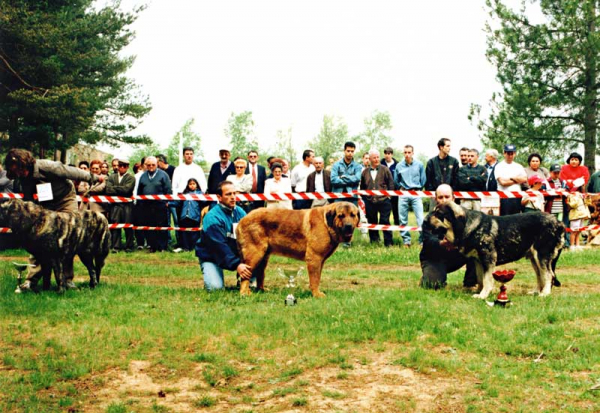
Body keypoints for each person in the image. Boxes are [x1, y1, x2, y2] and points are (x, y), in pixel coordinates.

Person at [4, 148, 103, 291]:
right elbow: (28, 200)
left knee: (67, 240)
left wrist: (93, 177)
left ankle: (67, 280)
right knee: (38, 240)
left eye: (21, 169)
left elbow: (73, 172)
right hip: (46, 205)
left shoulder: (48, 167)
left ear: (26, 163)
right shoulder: (22, 178)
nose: (20, 173)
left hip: (65, 199)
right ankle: (31, 280)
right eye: (16, 172)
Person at [195, 181, 252, 291]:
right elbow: (219, 247)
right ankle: (211, 276)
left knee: (253, 285)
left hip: (235, 254)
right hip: (211, 256)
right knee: (215, 288)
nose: (233, 197)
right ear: (219, 197)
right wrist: (237, 265)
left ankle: (243, 280)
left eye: (234, 193)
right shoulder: (212, 218)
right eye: (228, 194)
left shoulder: (240, 213)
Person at [419, 184, 470, 289]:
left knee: (476, 250)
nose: (444, 200)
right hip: (435, 257)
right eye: (440, 197)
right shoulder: (429, 218)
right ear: (435, 199)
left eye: (447, 197)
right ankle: (429, 276)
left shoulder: (464, 216)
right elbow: (427, 240)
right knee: (432, 285)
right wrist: (441, 243)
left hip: (458, 255)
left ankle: (471, 283)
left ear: (453, 198)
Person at [360, 149, 395, 247]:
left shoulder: (385, 169)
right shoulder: (364, 172)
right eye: (374, 157)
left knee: (385, 221)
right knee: (372, 221)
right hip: (370, 201)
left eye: (377, 157)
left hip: (384, 201)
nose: (376, 159)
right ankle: (374, 242)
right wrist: (366, 199)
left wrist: (389, 197)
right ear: (370, 159)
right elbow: (363, 187)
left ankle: (388, 243)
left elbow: (391, 184)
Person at [137, 156, 172, 252]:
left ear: (157, 165)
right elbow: (139, 191)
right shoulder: (143, 176)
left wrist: (166, 202)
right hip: (147, 206)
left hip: (160, 205)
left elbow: (168, 190)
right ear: (146, 165)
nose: (151, 166)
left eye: (153, 165)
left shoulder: (163, 175)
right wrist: (140, 204)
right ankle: (152, 246)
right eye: (149, 165)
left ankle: (162, 246)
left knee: (161, 226)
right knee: (150, 226)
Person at [394, 145, 425, 248]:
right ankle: (406, 241)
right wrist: (401, 189)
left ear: (412, 153)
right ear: (403, 153)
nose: (407, 154)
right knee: (402, 219)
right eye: (405, 152)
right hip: (403, 193)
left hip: (416, 193)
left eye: (409, 152)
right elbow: (396, 180)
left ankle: (422, 240)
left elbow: (423, 179)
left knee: (420, 218)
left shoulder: (419, 165)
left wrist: (418, 189)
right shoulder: (399, 166)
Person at [105, 159, 135, 252]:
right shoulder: (112, 177)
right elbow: (108, 190)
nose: (122, 167)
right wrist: (121, 189)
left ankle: (129, 246)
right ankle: (116, 246)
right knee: (115, 225)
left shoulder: (131, 178)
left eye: (124, 166)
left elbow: (127, 190)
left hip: (127, 205)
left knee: (128, 226)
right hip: (115, 205)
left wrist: (114, 189)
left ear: (127, 167)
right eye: (120, 165)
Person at [425, 138, 459, 210]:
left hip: (449, 196)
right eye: (447, 146)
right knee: (433, 218)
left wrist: (451, 193)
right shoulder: (431, 162)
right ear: (441, 147)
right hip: (435, 196)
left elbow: (456, 179)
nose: (449, 148)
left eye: (450, 146)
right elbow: (428, 181)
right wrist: (433, 193)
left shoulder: (454, 161)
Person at [495, 144, 527, 215]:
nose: (510, 155)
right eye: (508, 153)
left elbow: (524, 179)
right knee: (505, 218)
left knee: (516, 218)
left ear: (514, 154)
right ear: (504, 153)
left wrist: (512, 178)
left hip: (516, 196)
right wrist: (517, 180)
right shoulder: (499, 166)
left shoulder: (519, 166)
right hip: (504, 196)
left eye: (512, 153)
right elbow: (503, 183)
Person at [331, 141, 362, 205]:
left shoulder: (357, 166)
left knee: (353, 215)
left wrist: (342, 177)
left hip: (352, 197)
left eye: (352, 151)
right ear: (344, 151)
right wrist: (350, 180)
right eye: (348, 151)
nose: (350, 153)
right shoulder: (336, 165)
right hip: (338, 196)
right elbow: (333, 179)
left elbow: (357, 178)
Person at [176, 178, 203, 251]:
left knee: (194, 232)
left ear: (197, 185)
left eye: (193, 184)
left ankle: (194, 246)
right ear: (188, 185)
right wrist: (169, 203)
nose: (192, 186)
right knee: (185, 232)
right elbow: (178, 203)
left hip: (194, 216)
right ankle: (185, 247)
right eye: (190, 184)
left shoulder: (200, 194)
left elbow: (204, 203)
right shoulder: (184, 194)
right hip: (184, 215)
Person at [381, 147, 400, 226]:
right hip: (383, 191)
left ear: (392, 154)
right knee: (385, 210)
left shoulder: (397, 164)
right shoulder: (381, 164)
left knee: (396, 209)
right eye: (386, 154)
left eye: (389, 154)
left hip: (395, 191)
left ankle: (397, 224)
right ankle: (385, 224)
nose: (387, 155)